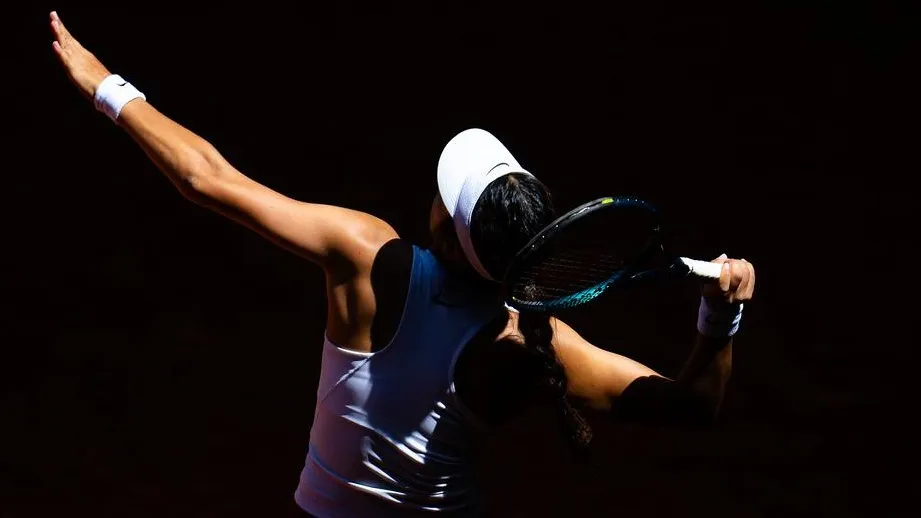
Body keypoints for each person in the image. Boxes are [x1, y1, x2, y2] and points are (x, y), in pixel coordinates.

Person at [48, 11, 755, 518]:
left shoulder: (367, 256)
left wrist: (108, 87)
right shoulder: (532, 345)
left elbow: (206, 178)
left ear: (445, 236)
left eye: (444, 199)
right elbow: (692, 407)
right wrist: (720, 316)